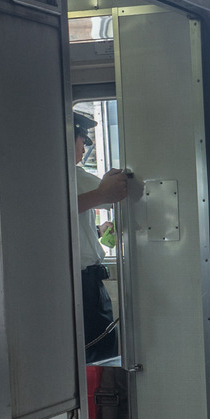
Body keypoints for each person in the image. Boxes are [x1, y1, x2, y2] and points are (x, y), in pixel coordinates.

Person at [74, 112, 128, 361]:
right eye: (82, 140)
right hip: (83, 285)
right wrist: (104, 192)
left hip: (82, 282)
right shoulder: (71, 175)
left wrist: (96, 231)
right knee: (100, 352)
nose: (84, 147)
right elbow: (115, 194)